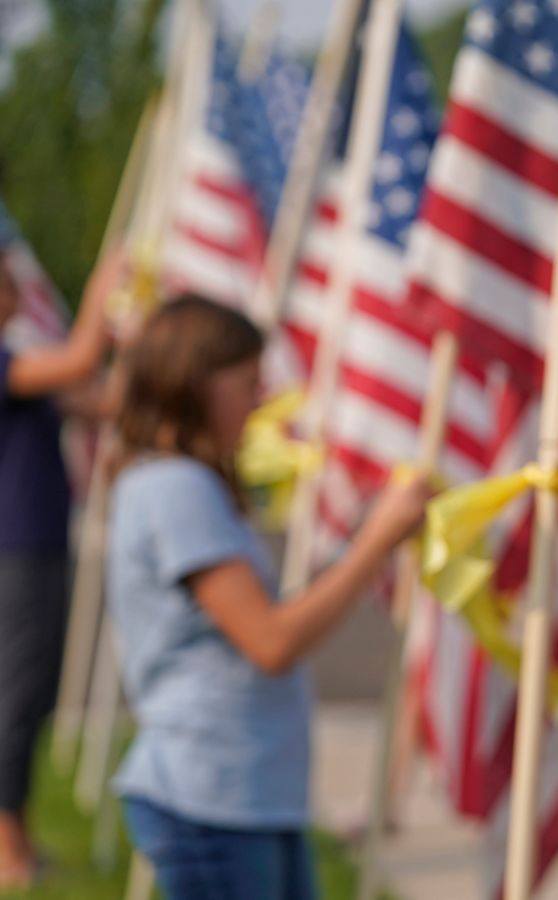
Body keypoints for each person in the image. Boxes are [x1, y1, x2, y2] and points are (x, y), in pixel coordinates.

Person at [103, 296, 431, 899]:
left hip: (242, 795)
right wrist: (375, 544)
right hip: (210, 793)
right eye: (247, 383)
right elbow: (271, 641)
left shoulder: (180, 481)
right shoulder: (176, 487)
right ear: (194, 385)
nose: (260, 401)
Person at [0, 251, 116, 888]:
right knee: (15, 695)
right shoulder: (9, 364)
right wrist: (102, 284)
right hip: (15, 549)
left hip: (41, 544)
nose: (17, 296)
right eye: (6, 286)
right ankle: (5, 842)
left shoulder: (22, 368)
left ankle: (16, 829)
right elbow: (77, 360)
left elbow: (101, 400)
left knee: (34, 692)